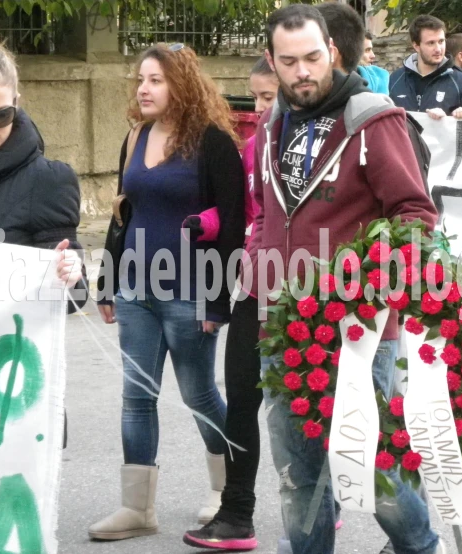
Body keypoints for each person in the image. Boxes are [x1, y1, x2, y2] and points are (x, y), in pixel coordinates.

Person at [237, 5, 443, 553]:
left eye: (312, 57)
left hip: (359, 327)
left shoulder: (376, 119)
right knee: (298, 477)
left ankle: (422, 547)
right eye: (289, 62)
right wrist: (257, 259)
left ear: (330, 49)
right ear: (272, 62)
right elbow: (263, 209)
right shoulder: (272, 120)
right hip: (282, 324)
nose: (302, 71)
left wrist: (371, 281)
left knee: (371, 472)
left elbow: (414, 213)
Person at [89, 43, 245, 541]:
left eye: (155, 79)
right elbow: (122, 213)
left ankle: (227, 493)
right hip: (136, 288)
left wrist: (218, 300)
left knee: (199, 393)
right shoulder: (135, 135)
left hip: (191, 292)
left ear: (182, 83)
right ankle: (138, 508)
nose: (143, 88)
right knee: (136, 395)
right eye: (141, 79)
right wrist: (108, 281)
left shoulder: (214, 141)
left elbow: (233, 225)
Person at [182, 56, 277, 552]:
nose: (261, 108)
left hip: (307, 290)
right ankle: (237, 513)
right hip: (252, 288)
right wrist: (209, 224)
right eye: (256, 97)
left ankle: (322, 503)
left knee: (307, 405)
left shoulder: (326, 143)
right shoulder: (252, 146)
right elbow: (243, 213)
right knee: (242, 396)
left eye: (270, 96)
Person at [0, 36, 83, 301]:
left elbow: (74, 299)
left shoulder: (48, 180)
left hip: (3, 338)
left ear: (16, 104)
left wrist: (69, 275)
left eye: (1, 115)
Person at [389, 15, 462, 116]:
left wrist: (452, 119)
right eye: (431, 43)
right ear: (416, 46)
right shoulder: (396, 79)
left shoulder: (461, 82)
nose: (438, 49)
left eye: (441, 41)